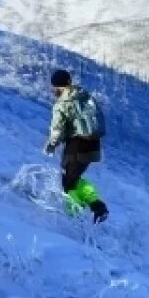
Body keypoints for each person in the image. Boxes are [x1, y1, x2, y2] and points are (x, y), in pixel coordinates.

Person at [43, 69, 109, 223]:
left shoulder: (63, 103)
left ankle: (73, 217)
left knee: (67, 183)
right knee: (74, 178)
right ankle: (97, 205)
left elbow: (57, 129)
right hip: (93, 145)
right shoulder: (84, 95)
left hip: (77, 145)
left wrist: (51, 144)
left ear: (56, 86)